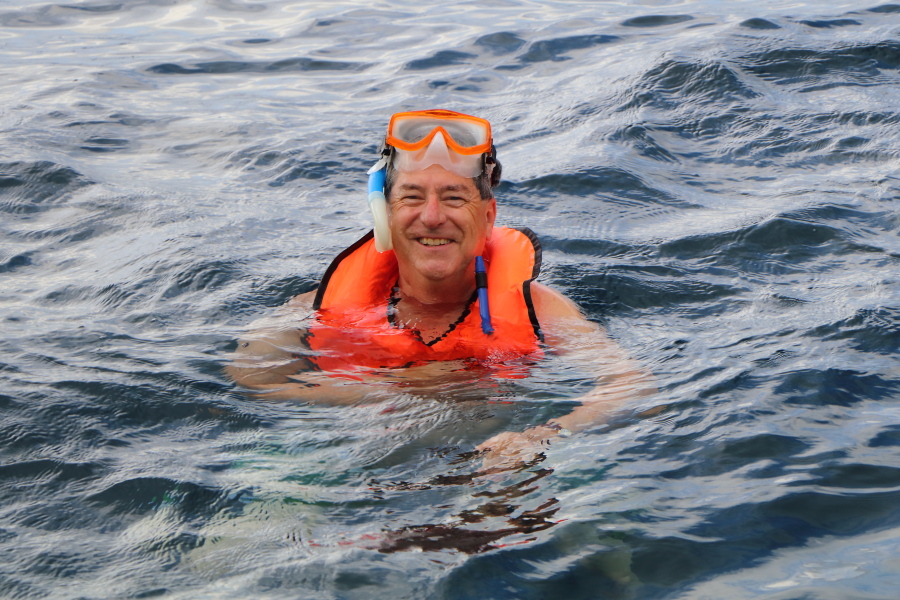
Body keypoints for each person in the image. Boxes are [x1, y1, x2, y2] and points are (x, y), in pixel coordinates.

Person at [226, 109, 653, 464]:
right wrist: (389, 391)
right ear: (385, 216)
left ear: (488, 216)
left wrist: (541, 437)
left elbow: (632, 387)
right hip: (345, 460)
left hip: (498, 466)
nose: (431, 217)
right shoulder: (315, 308)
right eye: (411, 197)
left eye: (453, 198)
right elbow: (247, 376)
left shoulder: (540, 311)